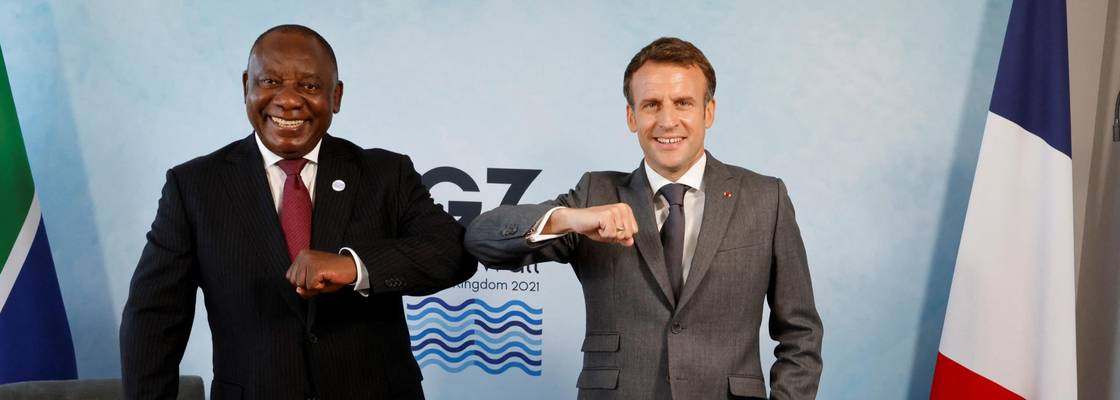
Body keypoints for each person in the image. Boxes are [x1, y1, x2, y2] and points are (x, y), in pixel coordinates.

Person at [119, 24, 476, 399]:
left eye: (309, 86)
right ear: (246, 87)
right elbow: (153, 321)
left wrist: (355, 267)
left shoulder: (387, 174)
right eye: (270, 81)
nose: (288, 100)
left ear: (335, 96)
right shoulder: (193, 186)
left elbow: (452, 251)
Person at [465, 37, 823, 399]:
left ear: (708, 112)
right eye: (651, 105)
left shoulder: (765, 198)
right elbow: (481, 240)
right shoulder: (595, 194)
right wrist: (571, 219)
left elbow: (801, 333)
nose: (667, 121)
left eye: (683, 103)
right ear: (631, 117)